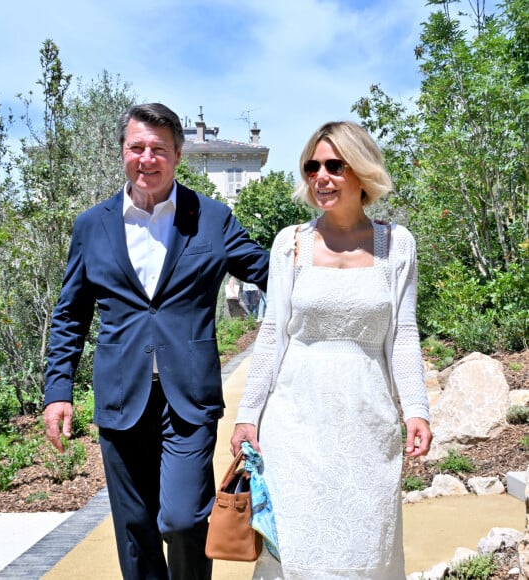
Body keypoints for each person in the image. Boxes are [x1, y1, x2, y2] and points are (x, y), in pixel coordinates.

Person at [43, 102, 269, 580]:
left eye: (159, 150)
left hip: (187, 398)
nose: (147, 159)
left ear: (178, 155)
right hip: (122, 396)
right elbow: (70, 314)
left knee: (184, 519)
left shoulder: (210, 218)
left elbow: (270, 270)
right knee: (136, 527)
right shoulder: (92, 225)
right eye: (137, 147)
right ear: (122, 151)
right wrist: (58, 392)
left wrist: (325, 246)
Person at [231, 121, 432, 579]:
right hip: (295, 422)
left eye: (334, 165)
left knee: (368, 547)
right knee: (298, 548)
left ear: (361, 172)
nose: (320, 175)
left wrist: (417, 408)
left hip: (369, 421)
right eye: (312, 166)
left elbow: (402, 333)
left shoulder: (396, 244)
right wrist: (247, 416)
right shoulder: (291, 244)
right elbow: (272, 334)